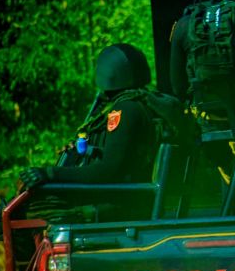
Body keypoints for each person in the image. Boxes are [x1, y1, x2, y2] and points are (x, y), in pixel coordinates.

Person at [19, 43, 173, 189]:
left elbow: (107, 171)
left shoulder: (124, 109)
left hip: (116, 200)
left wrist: (49, 173)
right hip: (126, 195)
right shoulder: (145, 104)